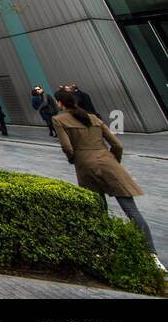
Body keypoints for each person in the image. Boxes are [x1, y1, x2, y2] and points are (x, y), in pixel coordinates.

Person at [53, 91, 162, 271]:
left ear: (59, 103)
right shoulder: (93, 118)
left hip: (85, 165)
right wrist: (113, 160)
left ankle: (105, 252)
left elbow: (67, 147)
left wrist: (74, 159)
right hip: (109, 163)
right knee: (131, 210)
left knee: (99, 209)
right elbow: (117, 145)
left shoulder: (59, 120)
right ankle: (152, 256)